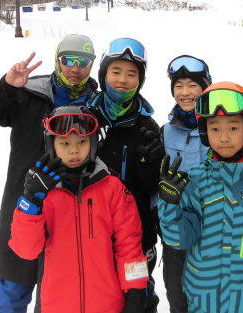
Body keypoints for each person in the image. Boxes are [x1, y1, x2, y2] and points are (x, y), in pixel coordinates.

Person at [0, 34, 99, 312]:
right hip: (26, 202)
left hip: (72, 211)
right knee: (14, 281)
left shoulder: (97, 104)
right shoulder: (30, 92)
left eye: (84, 62)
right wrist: (6, 87)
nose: (76, 68)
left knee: (62, 292)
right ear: (57, 61)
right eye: (68, 60)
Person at [9, 106, 149, 313]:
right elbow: (26, 251)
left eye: (82, 142)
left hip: (107, 305)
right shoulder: (42, 194)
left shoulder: (112, 188)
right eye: (65, 143)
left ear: (93, 142)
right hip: (57, 306)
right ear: (51, 145)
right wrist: (31, 202)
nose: (74, 150)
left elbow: (130, 245)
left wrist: (136, 291)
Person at [158, 82, 243, 313]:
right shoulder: (195, 179)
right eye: (215, 129)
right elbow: (180, 240)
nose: (224, 138)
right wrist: (169, 205)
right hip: (204, 299)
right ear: (204, 133)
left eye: (233, 128)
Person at [87, 37, 163, 312]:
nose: (122, 80)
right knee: (94, 296)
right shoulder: (86, 119)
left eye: (132, 74)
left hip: (137, 239)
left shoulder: (147, 126)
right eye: (116, 71)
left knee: (138, 297)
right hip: (92, 234)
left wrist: (151, 162)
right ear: (103, 75)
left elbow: (153, 189)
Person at [160, 55, 212, 313]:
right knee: (178, 297)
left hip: (212, 231)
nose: (185, 92)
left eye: (193, 85)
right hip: (177, 229)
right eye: (179, 86)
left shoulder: (218, 126)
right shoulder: (165, 131)